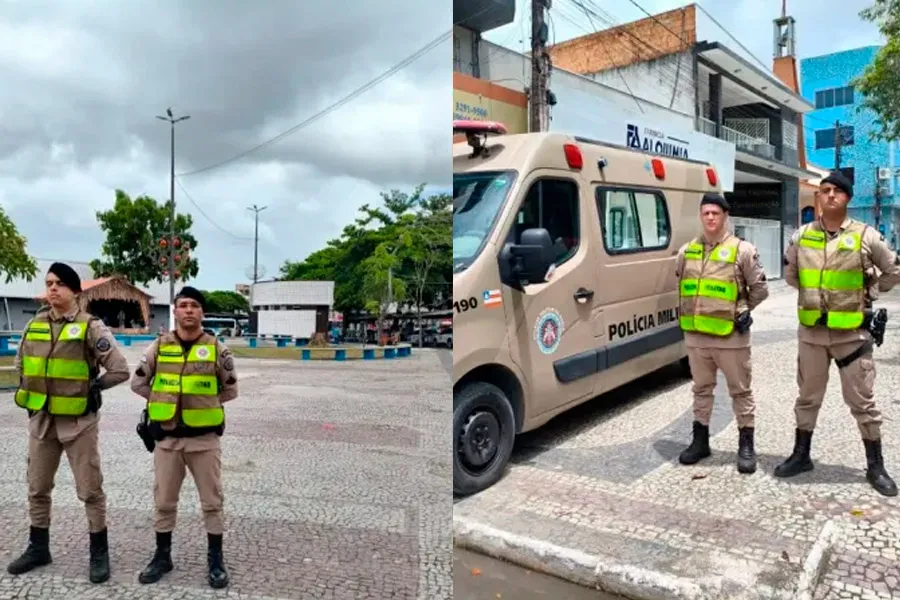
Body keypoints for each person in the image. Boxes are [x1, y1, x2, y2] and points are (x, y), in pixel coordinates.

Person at [776, 171, 900, 496]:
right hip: (812, 335)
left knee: (863, 401)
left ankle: (875, 465)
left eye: (837, 191)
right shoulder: (801, 236)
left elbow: (893, 270)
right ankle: (801, 455)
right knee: (807, 397)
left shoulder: (865, 236)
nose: (830, 195)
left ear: (847, 198)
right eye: (824, 190)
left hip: (851, 338)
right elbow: (791, 274)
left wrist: (871, 290)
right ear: (819, 197)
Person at [8, 262, 130, 583]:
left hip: (78, 423)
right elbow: (21, 365)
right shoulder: (34, 325)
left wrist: (96, 388)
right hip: (43, 421)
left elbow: (120, 369)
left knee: (90, 489)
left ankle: (98, 554)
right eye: (49, 282)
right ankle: (38, 548)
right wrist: (32, 397)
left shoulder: (91, 328)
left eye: (60, 283)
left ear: (75, 291)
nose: (52, 288)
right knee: (37, 487)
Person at [130, 286, 238, 588]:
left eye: (194, 305)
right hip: (167, 440)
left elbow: (230, 389)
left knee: (212, 502)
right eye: (183, 305)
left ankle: (215, 559)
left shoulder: (217, 348)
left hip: (204, 441)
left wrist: (202, 406)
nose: (188, 310)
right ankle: (162, 556)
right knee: (164, 501)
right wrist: (164, 400)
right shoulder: (159, 347)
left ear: (202, 312)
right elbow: (137, 383)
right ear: (175, 311)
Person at [675, 193, 770, 473]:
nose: (710, 217)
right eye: (706, 213)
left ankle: (746, 445)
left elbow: (760, 289)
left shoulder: (742, 250)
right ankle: (700, 441)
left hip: (731, 337)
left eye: (715, 213)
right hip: (696, 337)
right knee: (701, 390)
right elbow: (681, 283)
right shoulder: (687, 251)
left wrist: (741, 309)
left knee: (740, 391)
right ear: (701, 216)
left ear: (725, 216)